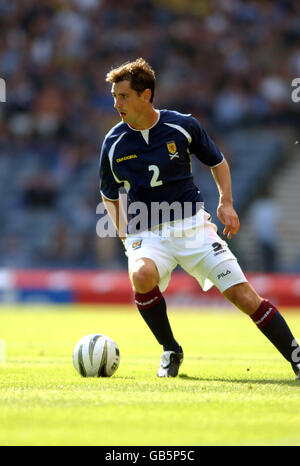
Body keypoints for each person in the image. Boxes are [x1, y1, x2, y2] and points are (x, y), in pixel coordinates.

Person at [99, 58, 300, 380]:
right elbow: (109, 195)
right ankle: (170, 350)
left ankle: (296, 356)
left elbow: (217, 161)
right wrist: (125, 236)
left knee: (244, 296)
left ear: (145, 95)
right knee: (141, 273)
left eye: (122, 96)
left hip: (192, 226)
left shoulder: (182, 125)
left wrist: (227, 203)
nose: (116, 103)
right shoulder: (113, 142)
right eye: (114, 96)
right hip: (147, 231)